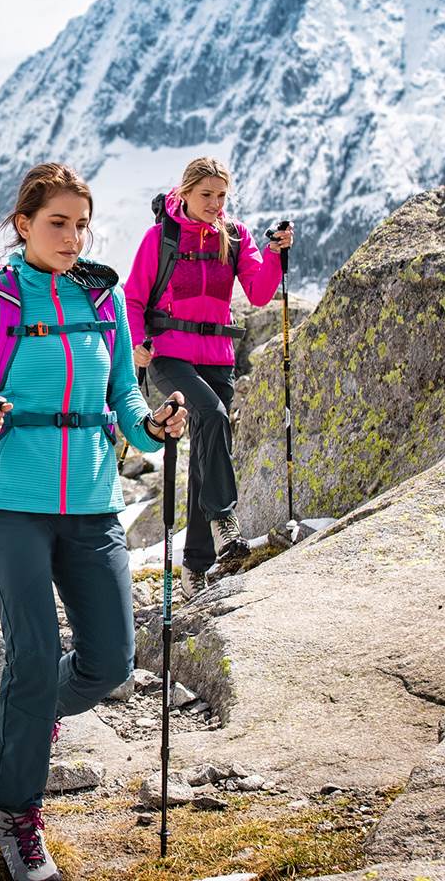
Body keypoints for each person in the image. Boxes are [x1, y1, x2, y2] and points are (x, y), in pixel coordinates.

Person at [0, 164, 189, 881]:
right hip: (13, 505)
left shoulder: (100, 300)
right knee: (35, 656)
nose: (73, 237)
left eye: (81, 224)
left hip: (93, 506)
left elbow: (124, 401)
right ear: (23, 224)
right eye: (58, 223)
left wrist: (154, 426)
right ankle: (19, 818)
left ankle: (33, 713)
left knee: (110, 662)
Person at [125, 156, 293, 597]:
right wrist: (139, 341)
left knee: (206, 454)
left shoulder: (235, 238)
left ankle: (195, 568)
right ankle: (226, 522)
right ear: (184, 193)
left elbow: (258, 293)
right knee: (213, 416)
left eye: (221, 195)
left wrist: (275, 255)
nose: (216, 204)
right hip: (169, 354)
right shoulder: (161, 237)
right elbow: (135, 296)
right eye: (207, 195)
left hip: (218, 356)